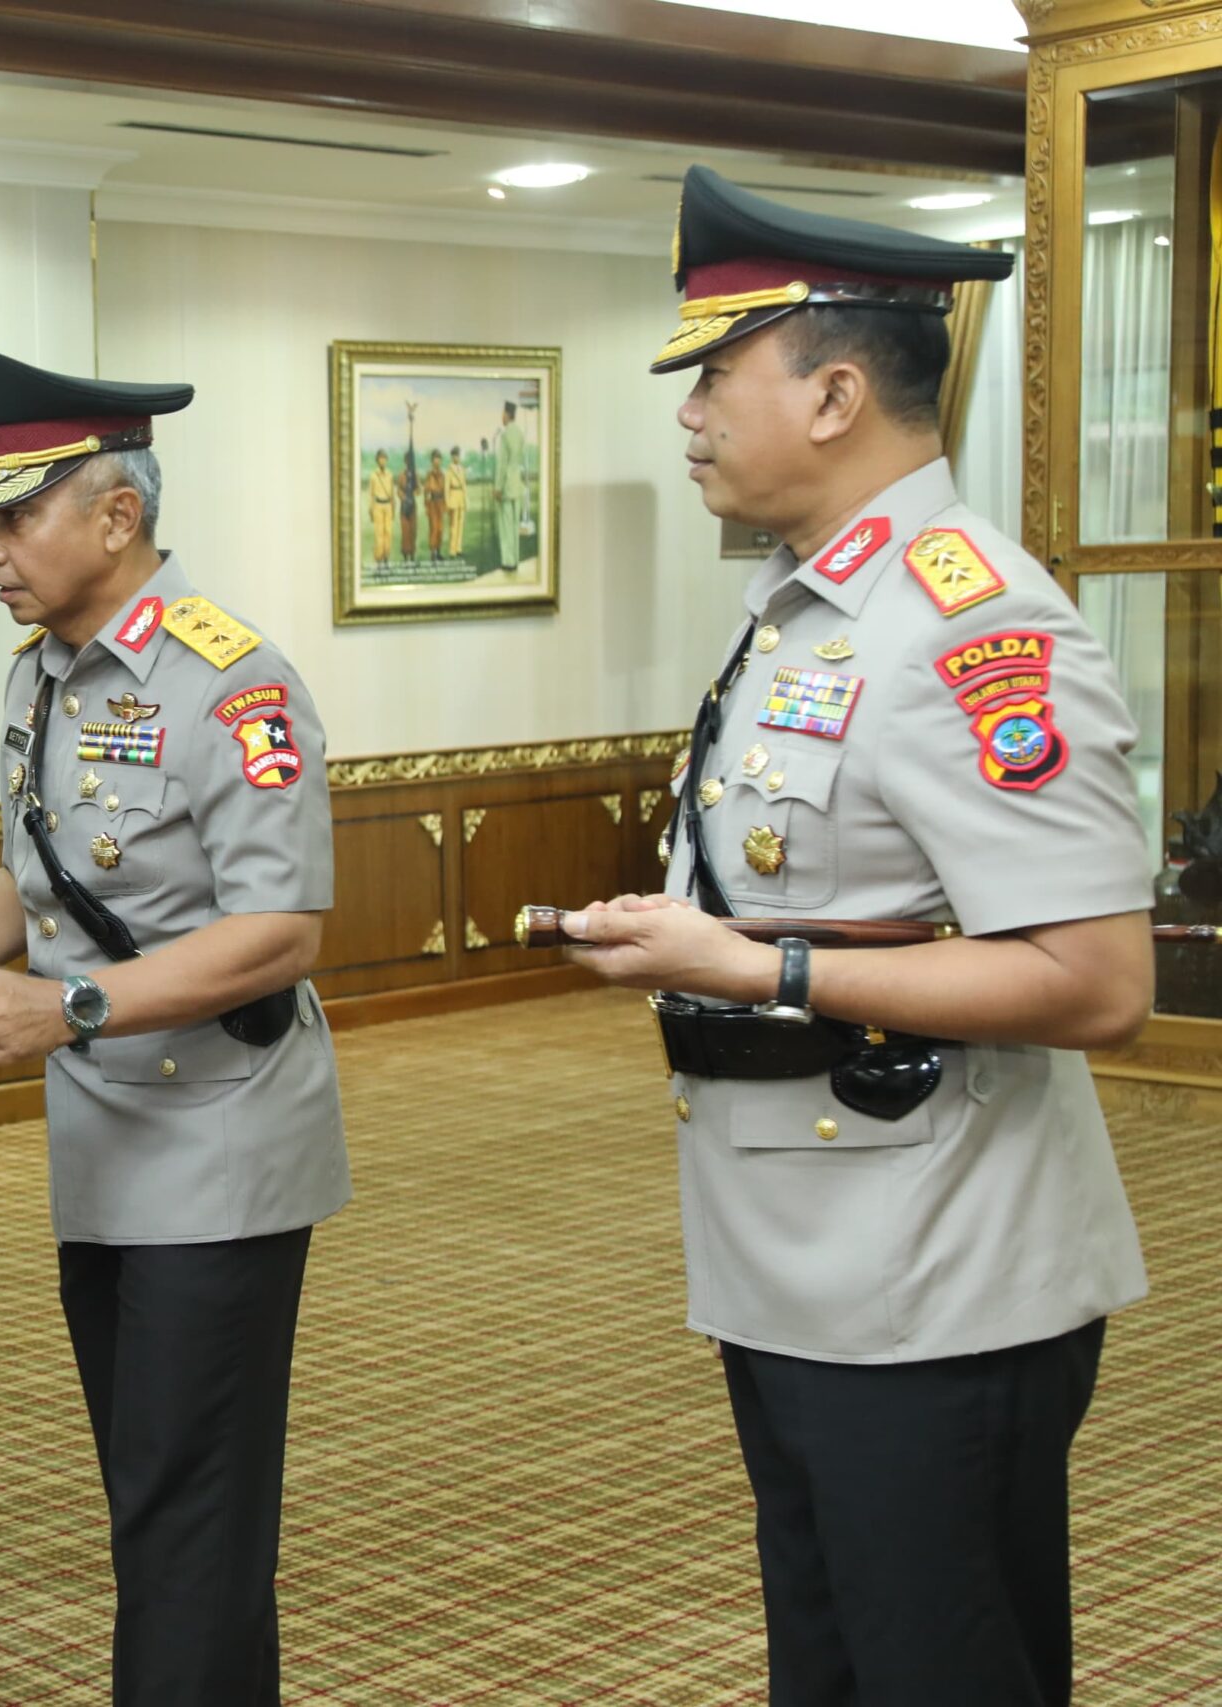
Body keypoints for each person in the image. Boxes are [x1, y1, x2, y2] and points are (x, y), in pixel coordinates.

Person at [561, 165, 1146, 1707]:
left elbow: (1098, 979)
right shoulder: (805, 605)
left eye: (713, 372)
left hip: (937, 1280)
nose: (686, 411)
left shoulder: (967, 623)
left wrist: (752, 964)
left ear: (832, 393)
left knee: (940, 1668)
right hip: (796, 1257)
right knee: (829, 1665)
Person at [0, 344, 350, 1705]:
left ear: (117, 513)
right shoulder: (39, 674)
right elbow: (34, 874)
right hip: (104, 1137)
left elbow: (280, 930)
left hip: (218, 1136)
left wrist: (69, 1003)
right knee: (155, 1483)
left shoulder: (233, 681)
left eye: (13, 514)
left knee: (186, 1498)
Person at [493, 399, 529, 570]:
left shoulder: (505, 434)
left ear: (507, 414)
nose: (502, 416)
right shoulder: (520, 434)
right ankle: (516, 560)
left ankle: (508, 561)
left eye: (503, 413)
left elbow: (502, 463)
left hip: (507, 485)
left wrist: (498, 487)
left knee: (506, 526)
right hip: (518, 484)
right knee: (515, 526)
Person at [365, 449, 397, 566]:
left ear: (386, 460)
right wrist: (370, 509)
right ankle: (379, 560)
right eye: (380, 458)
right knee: (379, 533)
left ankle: (386, 558)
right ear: (377, 460)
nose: (382, 460)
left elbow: (392, 492)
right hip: (378, 505)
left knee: (388, 532)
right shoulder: (373, 475)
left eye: (384, 458)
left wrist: (393, 507)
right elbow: (371, 494)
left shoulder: (390, 474)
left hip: (388, 505)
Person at [421, 450, 447, 563]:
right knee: (434, 529)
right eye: (435, 459)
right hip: (432, 504)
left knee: (440, 529)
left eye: (439, 458)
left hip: (440, 503)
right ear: (432, 461)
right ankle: (433, 553)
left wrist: (445, 504)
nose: (437, 461)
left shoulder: (442, 475)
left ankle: (439, 551)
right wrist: (427, 506)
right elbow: (426, 491)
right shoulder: (429, 474)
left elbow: (444, 490)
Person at [444, 448, 468, 559]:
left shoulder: (462, 469)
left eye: (458, 455)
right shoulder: (449, 470)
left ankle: (458, 548)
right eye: (454, 455)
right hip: (453, 496)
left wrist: (466, 500)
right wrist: (447, 502)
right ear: (451, 457)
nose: (456, 458)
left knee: (461, 525)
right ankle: (452, 550)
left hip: (461, 498)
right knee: (453, 526)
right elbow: (446, 488)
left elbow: (464, 486)